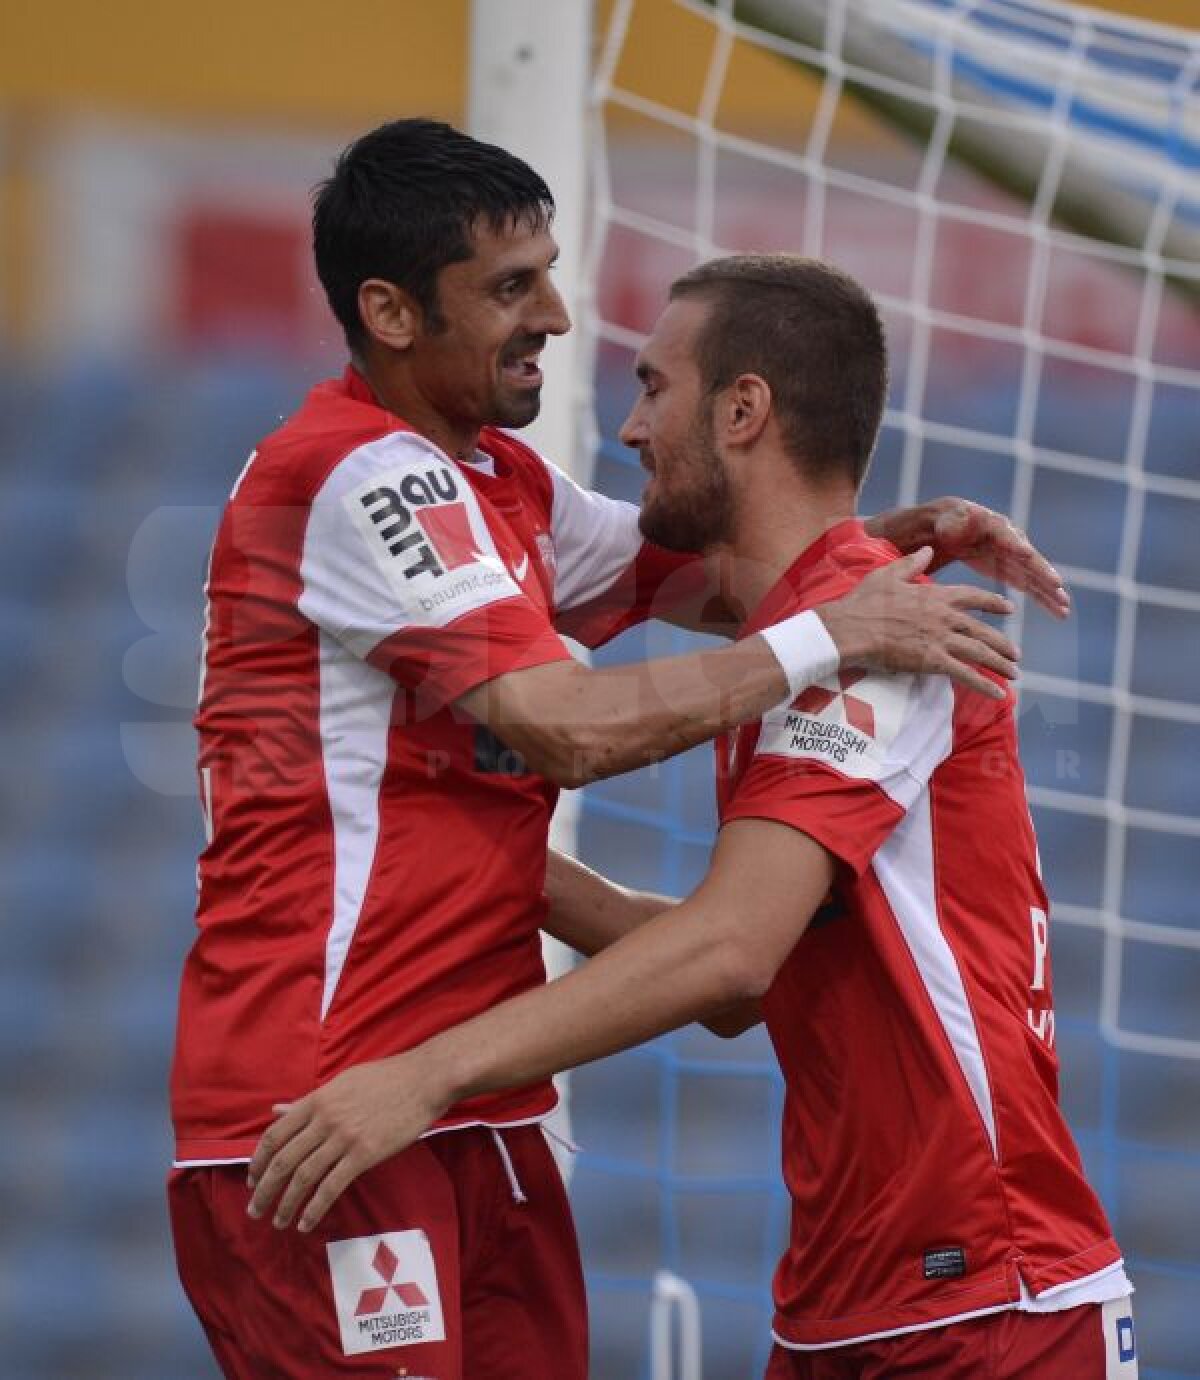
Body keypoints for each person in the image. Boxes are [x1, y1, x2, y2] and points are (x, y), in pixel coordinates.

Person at [170, 117, 1064, 1380]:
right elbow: (564, 731)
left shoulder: (504, 492)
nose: (557, 318)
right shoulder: (360, 475)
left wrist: (867, 547)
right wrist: (839, 623)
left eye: (546, 271)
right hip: (333, 1105)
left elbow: (718, 566)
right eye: (509, 286)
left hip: (474, 1102)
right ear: (391, 311)